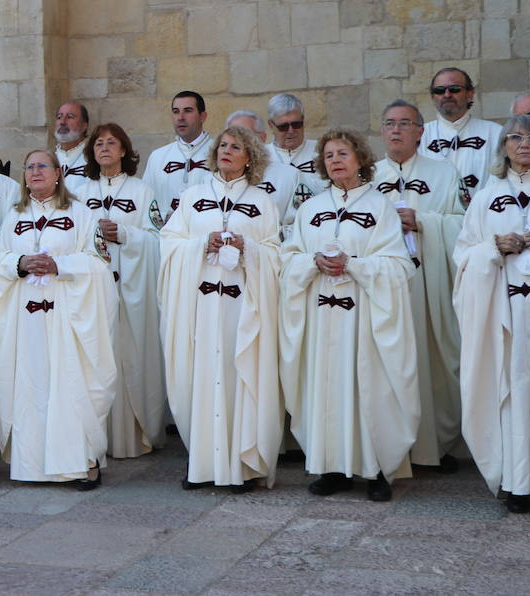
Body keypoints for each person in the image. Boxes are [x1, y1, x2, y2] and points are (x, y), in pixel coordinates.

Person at [280, 129, 418, 502]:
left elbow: (398, 265)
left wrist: (354, 265)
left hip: (364, 318)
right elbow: (287, 258)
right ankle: (331, 467)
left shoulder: (380, 207)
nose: (336, 160)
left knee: (367, 389)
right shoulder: (309, 210)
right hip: (321, 317)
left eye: (343, 153)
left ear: (360, 159)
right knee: (325, 387)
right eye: (329, 156)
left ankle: (375, 470)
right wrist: (313, 261)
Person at [453, 114, 530, 513]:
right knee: (514, 391)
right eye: (516, 137)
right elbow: (464, 256)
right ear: (503, 146)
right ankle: (518, 482)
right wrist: (493, 248)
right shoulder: (487, 196)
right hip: (507, 315)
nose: (525, 144)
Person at [159, 126, 283, 491]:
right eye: (223, 145)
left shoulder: (262, 202)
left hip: (241, 307)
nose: (227, 151)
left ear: (251, 158)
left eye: (237, 147)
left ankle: (240, 465)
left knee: (238, 374)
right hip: (200, 304)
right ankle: (202, 464)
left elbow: (275, 253)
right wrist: (201, 243)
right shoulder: (192, 196)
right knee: (200, 376)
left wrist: (250, 249)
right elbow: (168, 243)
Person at [0, 149, 114, 489]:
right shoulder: (13, 216)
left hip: (68, 317)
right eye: (28, 166)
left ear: (58, 172)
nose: (34, 171)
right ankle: (32, 465)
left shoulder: (81, 214)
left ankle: (83, 461)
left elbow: (100, 263)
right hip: (26, 320)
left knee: (74, 385)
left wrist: (61, 266)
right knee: (30, 386)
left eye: (42, 165)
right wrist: (19, 263)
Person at [373, 100, 464, 473]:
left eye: (405, 123)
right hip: (382, 287)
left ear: (420, 131)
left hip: (427, 282)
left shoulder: (443, 173)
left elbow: (461, 224)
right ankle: (386, 444)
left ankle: (431, 447)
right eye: (390, 123)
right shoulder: (368, 174)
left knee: (427, 360)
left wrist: (423, 221)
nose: (396, 130)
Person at [79, 122, 166, 458]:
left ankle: (134, 434)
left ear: (125, 150)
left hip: (130, 289)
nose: (104, 148)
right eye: (98, 143)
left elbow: (159, 239)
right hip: (93, 292)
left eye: (111, 142)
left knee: (129, 357)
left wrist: (125, 235)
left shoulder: (142, 191)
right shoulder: (79, 191)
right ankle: (96, 434)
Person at [420, 67, 501, 206]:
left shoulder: (495, 133)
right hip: (434, 221)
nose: (447, 95)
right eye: (439, 90)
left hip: (481, 217)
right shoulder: (420, 136)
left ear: (470, 94)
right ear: (433, 97)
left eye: (455, 89)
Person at [145, 91, 213, 225]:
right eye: (176, 111)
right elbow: (147, 202)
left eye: (188, 111)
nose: (180, 117)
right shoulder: (158, 157)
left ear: (202, 116)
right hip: (166, 235)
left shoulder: (218, 153)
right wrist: (165, 218)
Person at [226, 110, 300, 232]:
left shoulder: (290, 176)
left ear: (262, 138)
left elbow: (298, 226)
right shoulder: (211, 179)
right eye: (231, 135)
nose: (235, 142)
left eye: (244, 134)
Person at [266, 93, 325, 206]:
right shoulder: (261, 156)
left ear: (303, 120)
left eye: (296, 124)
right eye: (283, 126)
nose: (291, 131)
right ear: (271, 125)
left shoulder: (322, 151)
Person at [52, 101, 93, 192]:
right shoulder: (48, 159)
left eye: (70, 117)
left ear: (84, 126)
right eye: (59, 117)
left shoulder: (93, 158)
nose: (62, 122)